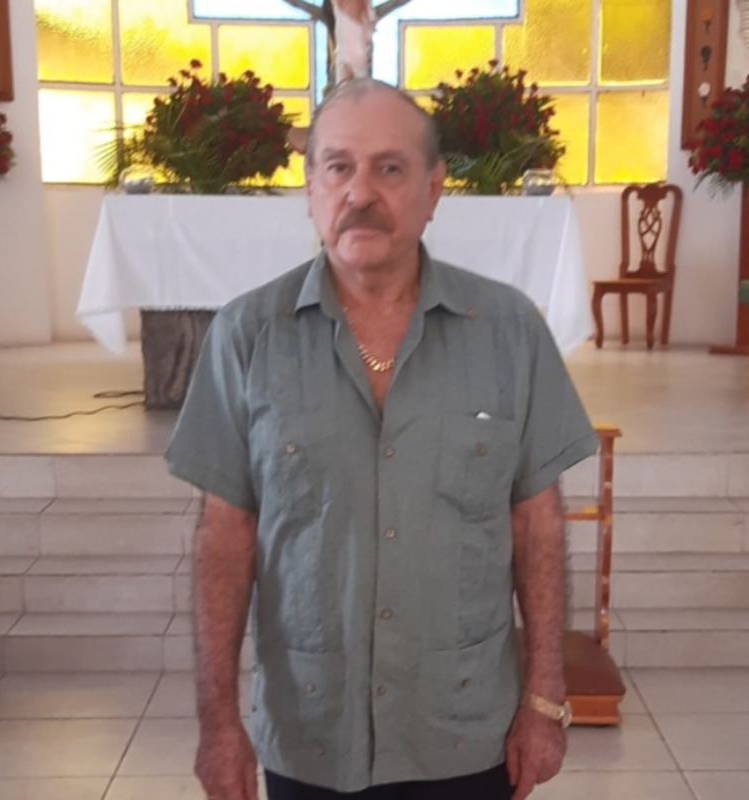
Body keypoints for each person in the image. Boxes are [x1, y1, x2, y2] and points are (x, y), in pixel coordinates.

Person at [165, 78, 599, 800]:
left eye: (389, 169)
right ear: (310, 189)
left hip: (464, 730)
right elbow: (224, 539)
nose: (359, 193)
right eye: (338, 167)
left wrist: (544, 701)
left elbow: (538, 527)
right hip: (311, 733)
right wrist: (218, 723)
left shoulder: (509, 331)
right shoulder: (246, 336)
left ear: (433, 190)